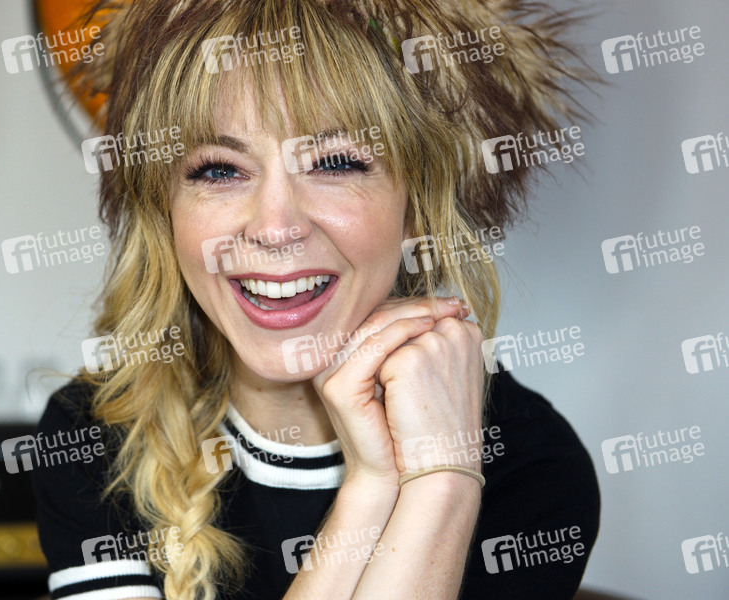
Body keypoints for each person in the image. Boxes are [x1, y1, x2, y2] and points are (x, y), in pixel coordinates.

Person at [31, 1, 600, 599]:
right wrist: (372, 488)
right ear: (165, 211)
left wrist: (443, 480)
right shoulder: (93, 435)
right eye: (219, 170)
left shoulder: (531, 460)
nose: (275, 227)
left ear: (417, 209)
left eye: (336, 163)